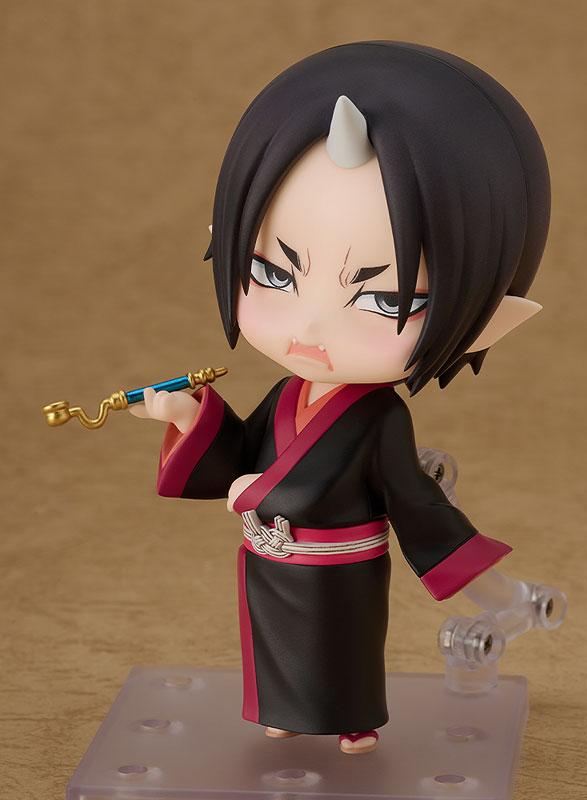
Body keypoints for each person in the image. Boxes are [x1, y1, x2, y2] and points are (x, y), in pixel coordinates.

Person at [130, 42, 551, 754]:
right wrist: (189, 415)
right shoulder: (288, 392)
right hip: (270, 563)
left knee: (344, 647)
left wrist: (258, 492)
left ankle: (352, 721)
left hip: (340, 566)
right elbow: (245, 452)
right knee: (275, 643)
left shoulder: (379, 417)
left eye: (386, 299)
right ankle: (285, 709)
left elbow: (396, 493)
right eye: (273, 273)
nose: (312, 329)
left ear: (485, 317)